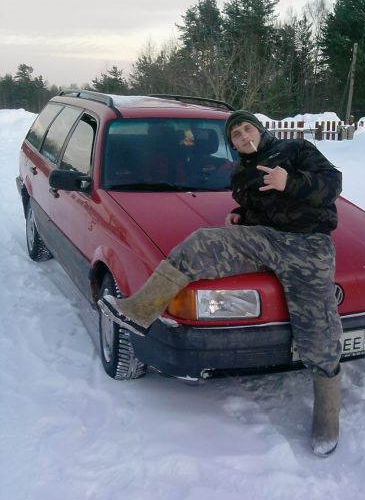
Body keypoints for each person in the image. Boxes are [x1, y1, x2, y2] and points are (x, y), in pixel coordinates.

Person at [98, 110, 343, 456]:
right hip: (266, 239)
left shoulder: (296, 149)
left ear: (259, 129)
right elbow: (262, 210)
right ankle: (140, 310)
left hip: (309, 244)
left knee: (318, 331)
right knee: (202, 242)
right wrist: (242, 216)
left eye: (247, 129)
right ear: (232, 145)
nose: (244, 137)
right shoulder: (240, 174)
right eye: (236, 136)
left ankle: (327, 420)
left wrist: (289, 181)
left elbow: (332, 185)